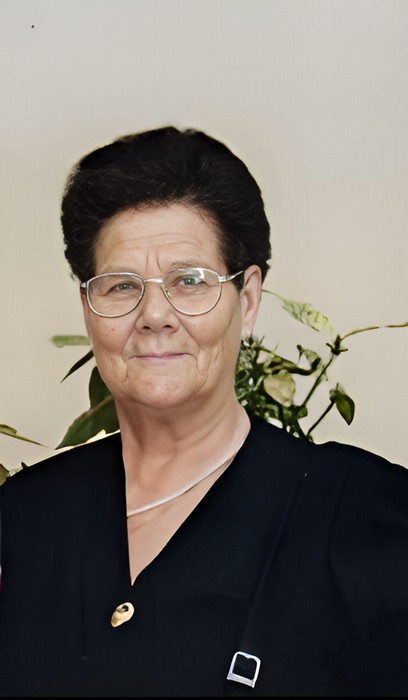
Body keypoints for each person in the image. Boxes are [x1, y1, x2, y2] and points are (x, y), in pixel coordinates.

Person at [0, 126, 407, 698]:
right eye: (121, 287)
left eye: (189, 281)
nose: (154, 315)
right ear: (89, 308)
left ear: (248, 298)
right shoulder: (20, 520)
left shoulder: (366, 514)